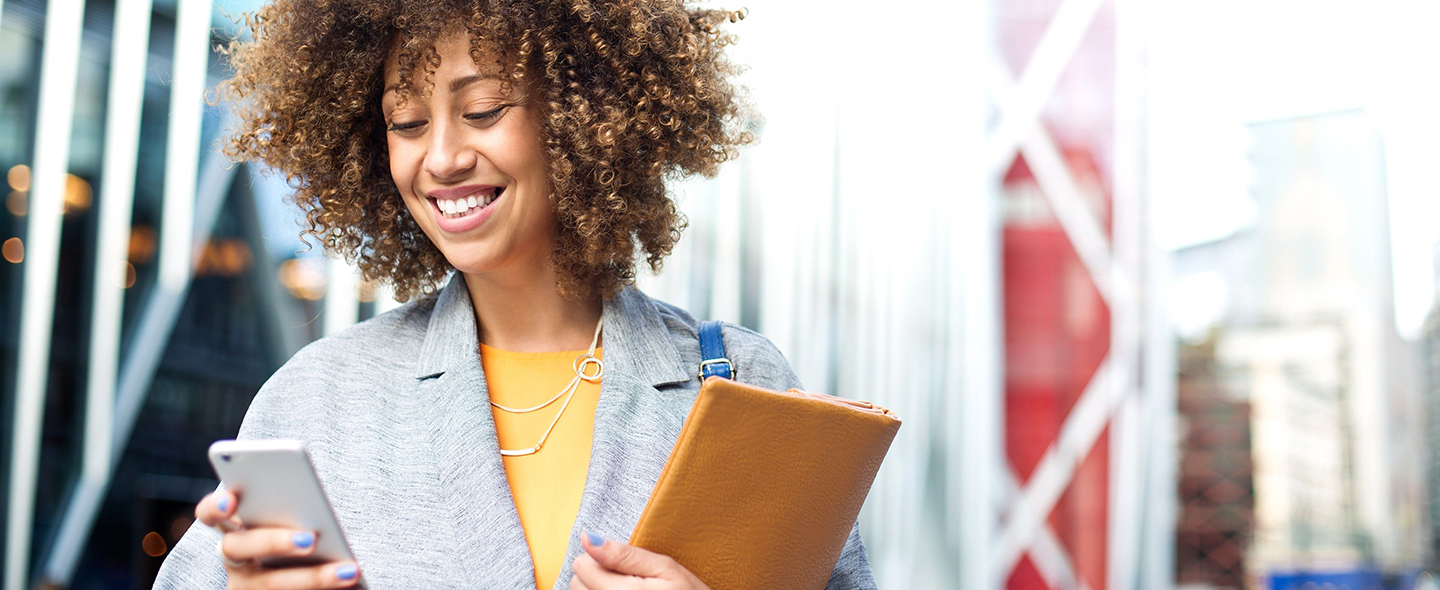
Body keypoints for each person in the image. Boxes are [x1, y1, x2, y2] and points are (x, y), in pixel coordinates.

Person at [153, 0, 877, 588]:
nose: (439, 158)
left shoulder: (747, 391)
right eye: (405, 123)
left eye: (485, 110)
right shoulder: (317, 401)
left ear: (582, 115)